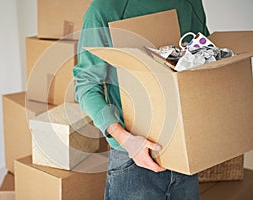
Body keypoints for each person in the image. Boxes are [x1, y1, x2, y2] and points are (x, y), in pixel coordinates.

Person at [73, 0, 209, 199]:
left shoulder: (190, 3)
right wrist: (125, 139)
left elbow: (206, 62)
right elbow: (86, 86)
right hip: (132, 160)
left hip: (184, 155)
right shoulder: (104, 9)